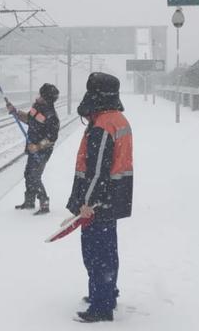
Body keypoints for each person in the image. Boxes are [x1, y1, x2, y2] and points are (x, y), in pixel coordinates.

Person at [66, 72, 133, 323]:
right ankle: (107, 292)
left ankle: (101, 305)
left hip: (100, 201)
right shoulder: (116, 119)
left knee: (95, 252)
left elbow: (97, 171)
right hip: (114, 197)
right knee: (107, 250)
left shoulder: (103, 125)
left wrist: (87, 203)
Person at [6, 83, 60, 215]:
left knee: (35, 176)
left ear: (46, 99)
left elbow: (52, 138)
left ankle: (44, 204)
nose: (38, 97)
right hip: (32, 148)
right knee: (28, 174)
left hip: (42, 151)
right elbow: (29, 119)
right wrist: (16, 112)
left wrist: (37, 146)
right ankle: (29, 201)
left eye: (41, 96)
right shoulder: (37, 107)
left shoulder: (51, 116)